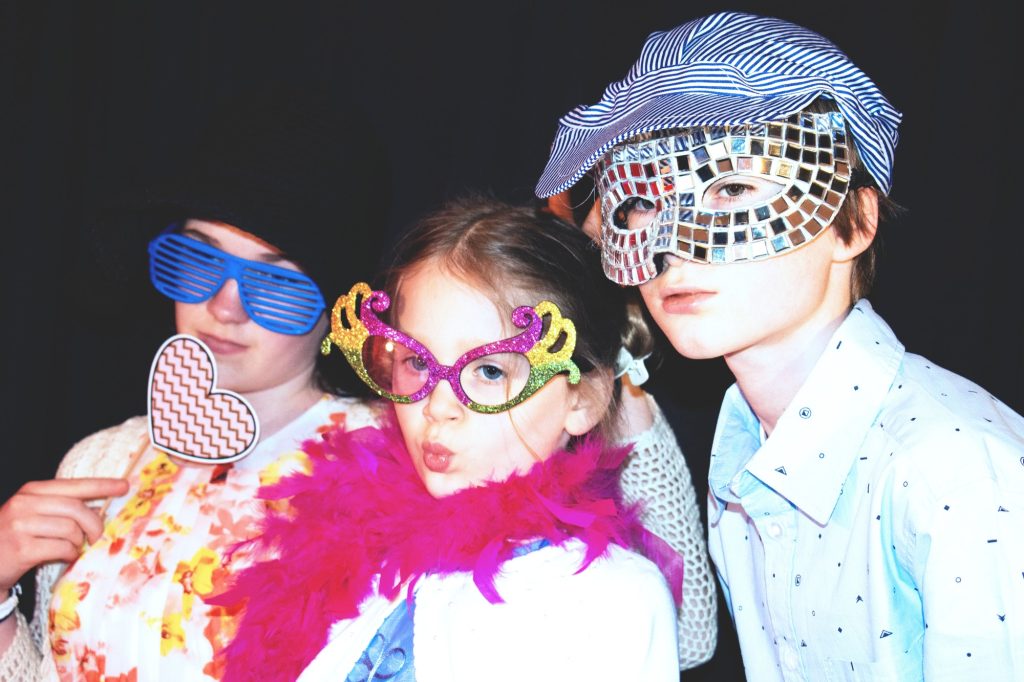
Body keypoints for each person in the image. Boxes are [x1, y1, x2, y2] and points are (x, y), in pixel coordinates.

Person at [535, 11, 1024, 681]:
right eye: (641, 204)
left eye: (732, 189)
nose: (673, 243)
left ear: (852, 227)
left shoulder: (953, 467)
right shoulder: (743, 451)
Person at [0, 84, 385, 681]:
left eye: (276, 282)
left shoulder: (387, 467)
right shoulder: (101, 462)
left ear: (336, 308)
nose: (224, 306)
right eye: (201, 259)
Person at [211, 199, 685, 681]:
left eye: (489, 371)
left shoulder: (609, 601)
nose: (437, 406)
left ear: (583, 400)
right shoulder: (362, 557)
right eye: (417, 362)